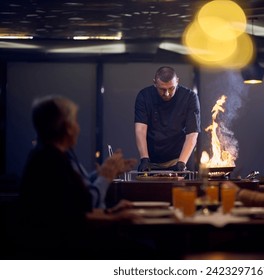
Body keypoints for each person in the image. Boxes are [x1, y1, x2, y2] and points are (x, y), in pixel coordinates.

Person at [16, 95, 139, 258]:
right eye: (75, 122)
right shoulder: (49, 160)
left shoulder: (52, 155)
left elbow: (72, 203)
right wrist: (105, 177)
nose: (78, 128)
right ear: (67, 127)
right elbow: (86, 204)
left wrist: (110, 211)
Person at [134, 66, 201, 172]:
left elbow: (192, 134)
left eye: (171, 88)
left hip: (178, 159)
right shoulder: (144, 96)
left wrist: (182, 163)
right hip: (151, 161)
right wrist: (144, 159)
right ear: (154, 83)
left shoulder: (190, 97)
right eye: (162, 89)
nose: (167, 94)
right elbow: (140, 130)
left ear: (177, 81)